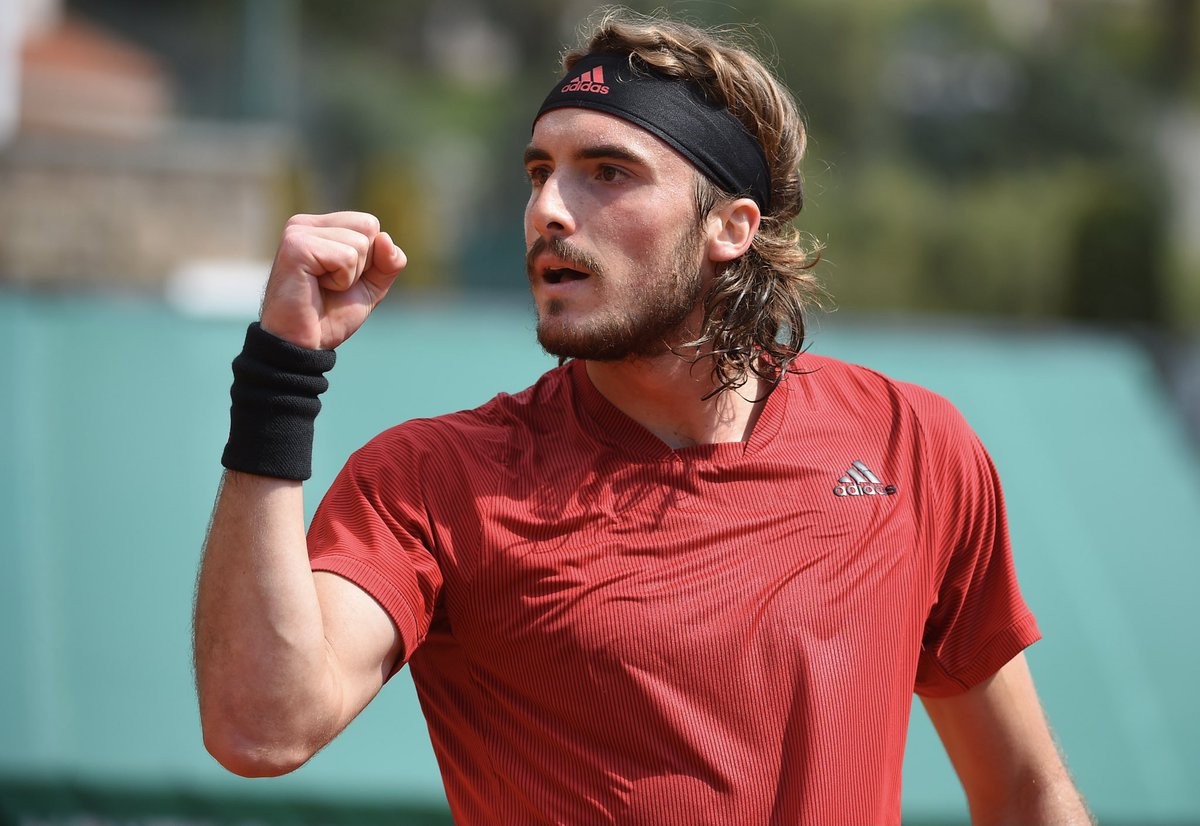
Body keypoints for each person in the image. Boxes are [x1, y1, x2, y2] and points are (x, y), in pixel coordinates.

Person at [193, 9, 1092, 825]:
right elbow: (262, 727)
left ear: (730, 227)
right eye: (539, 172)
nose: (548, 210)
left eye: (607, 173)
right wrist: (281, 371)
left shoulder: (911, 445)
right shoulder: (433, 480)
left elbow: (1023, 792)